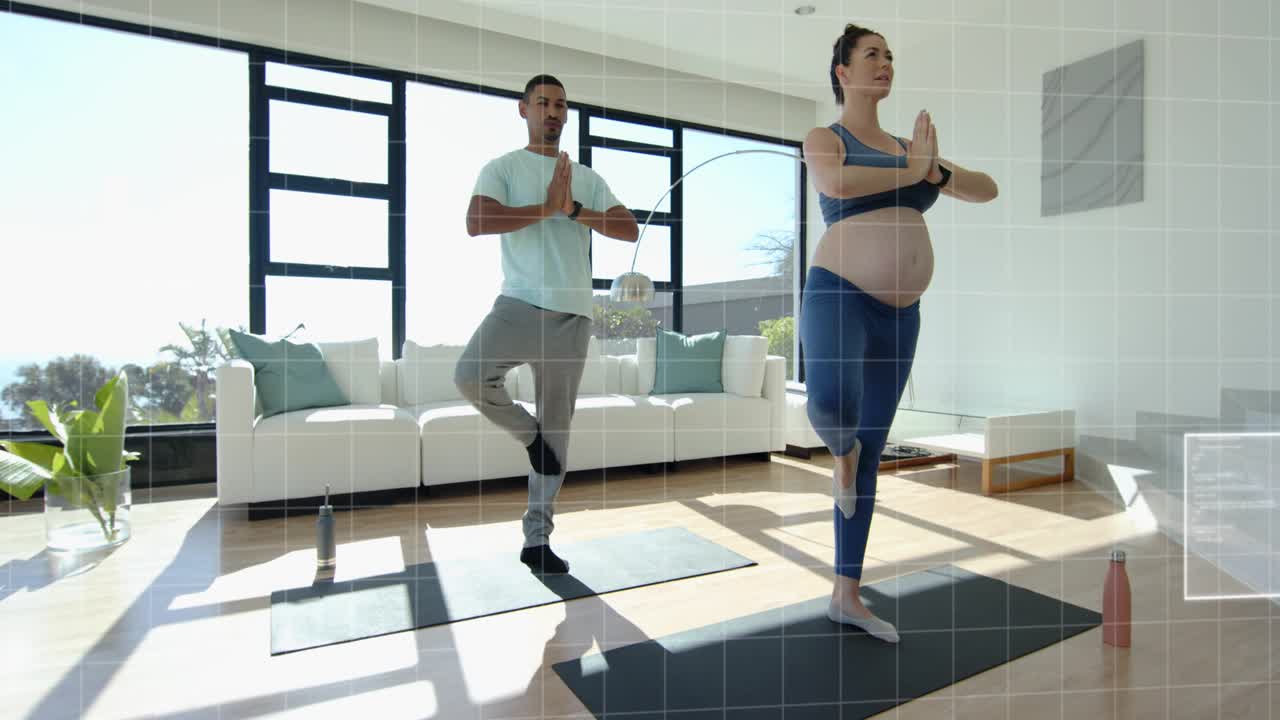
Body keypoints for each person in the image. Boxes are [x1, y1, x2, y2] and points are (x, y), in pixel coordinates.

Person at [800, 24, 999, 642]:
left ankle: (846, 594)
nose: (885, 64)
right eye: (871, 55)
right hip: (839, 293)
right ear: (843, 71)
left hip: (901, 316)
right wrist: (906, 168)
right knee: (833, 408)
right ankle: (839, 452)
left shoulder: (909, 147)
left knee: (874, 452)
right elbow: (835, 183)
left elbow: (986, 190)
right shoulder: (824, 137)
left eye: (889, 56)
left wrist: (930, 171)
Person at [454, 74, 639, 575]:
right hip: (517, 303)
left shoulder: (587, 178)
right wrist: (546, 208)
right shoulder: (503, 168)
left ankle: (537, 539)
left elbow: (628, 229)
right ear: (523, 109)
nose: (553, 112)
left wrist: (575, 208)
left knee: (559, 431)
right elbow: (477, 222)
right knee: (470, 376)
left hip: (572, 313)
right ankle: (527, 435)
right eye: (543, 103)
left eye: (561, 105)